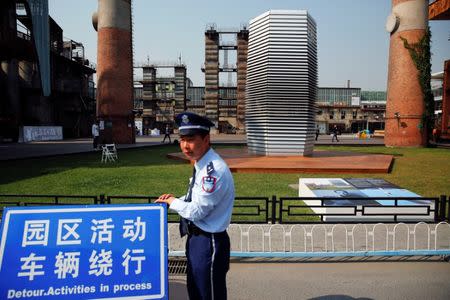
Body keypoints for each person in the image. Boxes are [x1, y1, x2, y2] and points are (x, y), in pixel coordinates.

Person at [156, 112, 235, 300]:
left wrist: (173, 203)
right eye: (182, 139)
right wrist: (176, 199)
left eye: (190, 140)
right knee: (196, 291)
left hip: (209, 241)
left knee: (208, 294)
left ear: (206, 139)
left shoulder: (212, 171)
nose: (185, 146)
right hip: (198, 239)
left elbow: (198, 211)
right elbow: (195, 197)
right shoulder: (202, 163)